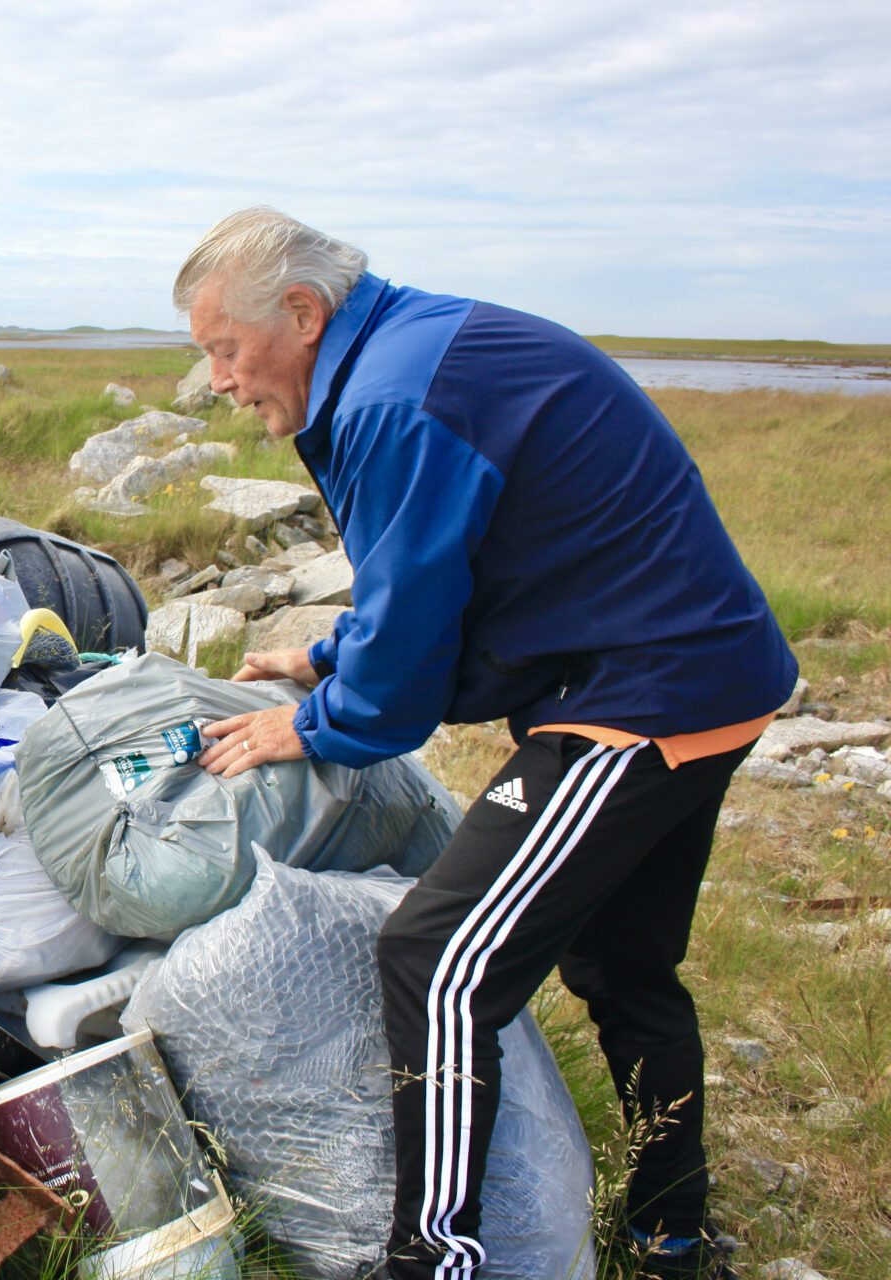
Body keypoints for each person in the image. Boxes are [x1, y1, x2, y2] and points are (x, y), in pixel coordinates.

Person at [179, 208, 796, 1280]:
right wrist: (329, 659)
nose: (218, 380)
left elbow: (405, 670)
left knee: (438, 959)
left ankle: (437, 1259)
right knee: (624, 965)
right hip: (701, 671)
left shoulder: (391, 397)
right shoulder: (410, 353)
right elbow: (442, 578)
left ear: (301, 312)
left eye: (223, 349)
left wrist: (314, 720)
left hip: (639, 694)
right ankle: (671, 1240)